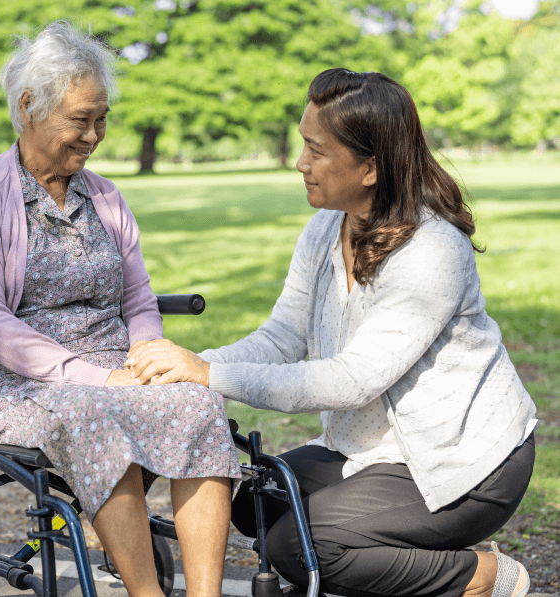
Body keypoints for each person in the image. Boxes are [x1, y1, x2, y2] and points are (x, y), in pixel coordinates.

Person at [125, 68, 537, 597]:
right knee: (255, 505)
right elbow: (280, 338)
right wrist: (185, 364)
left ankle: (482, 577)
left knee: (296, 547)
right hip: (373, 452)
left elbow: (353, 381)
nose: (301, 163)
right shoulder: (326, 228)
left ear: (370, 167)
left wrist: (209, 375)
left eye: (316, 151)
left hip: (461, 462)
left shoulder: (432, 249)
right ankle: (389, 561)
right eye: (303, 146)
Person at [0, 21, 240, 597]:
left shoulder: (106, 198)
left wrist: (145, 355)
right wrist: (95, 377)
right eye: (79, 119)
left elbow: (138, 297)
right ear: (28, 108)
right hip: (11, 383)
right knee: (93, 414)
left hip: (111, 370)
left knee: (198, 402)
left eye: (101, 119)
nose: (94, 135)